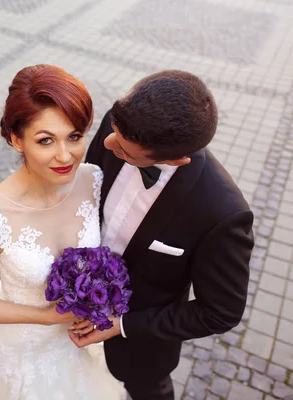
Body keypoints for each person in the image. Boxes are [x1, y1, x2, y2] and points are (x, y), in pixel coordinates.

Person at [0, 64, 125, 399]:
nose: (65, 156)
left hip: (78, 339)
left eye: (74, 136)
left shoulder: (93, 180)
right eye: (46, 141)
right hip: (22, 347)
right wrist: (47, 317)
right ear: (17, 140)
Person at [70, 70, 255, 400]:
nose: (107, 143)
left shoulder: (221, 213)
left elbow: (221, 312)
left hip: (139, 346)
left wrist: (121, 325)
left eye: (124, 151)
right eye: (112, 132)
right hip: (74, 310)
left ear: (176, 160)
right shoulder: (121, 122)